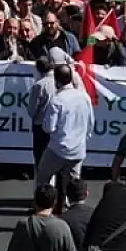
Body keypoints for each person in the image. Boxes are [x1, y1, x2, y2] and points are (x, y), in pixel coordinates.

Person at [38, 64, 91, 209]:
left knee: (43, 178)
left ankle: (43, 208)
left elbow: (48, 127)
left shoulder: (57, 100)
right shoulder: (84, 96)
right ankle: (76, 211)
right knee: (75, 185)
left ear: (56, 80)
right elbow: (90, 123)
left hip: (58, 149)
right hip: (78, 149)